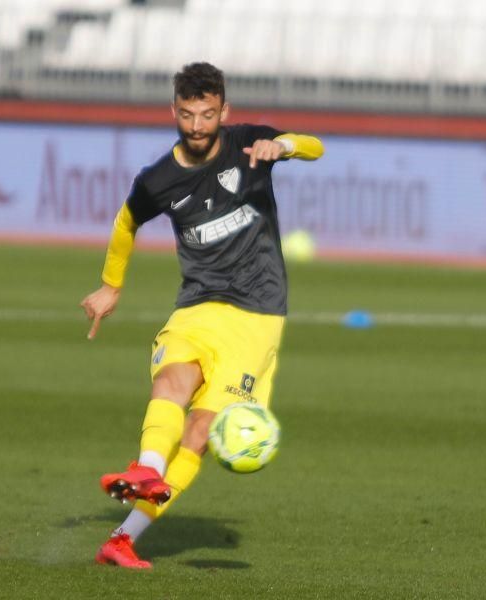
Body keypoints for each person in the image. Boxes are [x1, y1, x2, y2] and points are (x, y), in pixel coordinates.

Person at [80, 62, 324, 569]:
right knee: (173, 379)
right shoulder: (159, 179)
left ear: (224, 112)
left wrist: (286, 146)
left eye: (207, 115)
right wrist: (110, 286)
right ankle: (146, 468)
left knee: (200, 432)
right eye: (188, 115)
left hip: (257, 315)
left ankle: (122, 539)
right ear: (174, 111)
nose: (196, 126)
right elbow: (126, 223)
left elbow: (315, 145)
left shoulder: (250, 143)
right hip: (198, 304)